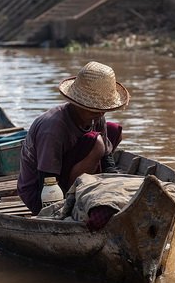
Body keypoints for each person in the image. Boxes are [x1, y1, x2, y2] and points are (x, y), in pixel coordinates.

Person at [17, 61, 130, 215]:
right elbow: (47, 179)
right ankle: (75, 199)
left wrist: (117, 186)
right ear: (77, 103)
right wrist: (55, 210)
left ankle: (87, 189)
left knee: (113, 130)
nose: (100, 113)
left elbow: (107, 160)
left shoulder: (96, 117)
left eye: (103, 109)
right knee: (96, 143)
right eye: (93, 109)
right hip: (42, 192)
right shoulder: (53, 128)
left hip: (67, 174)